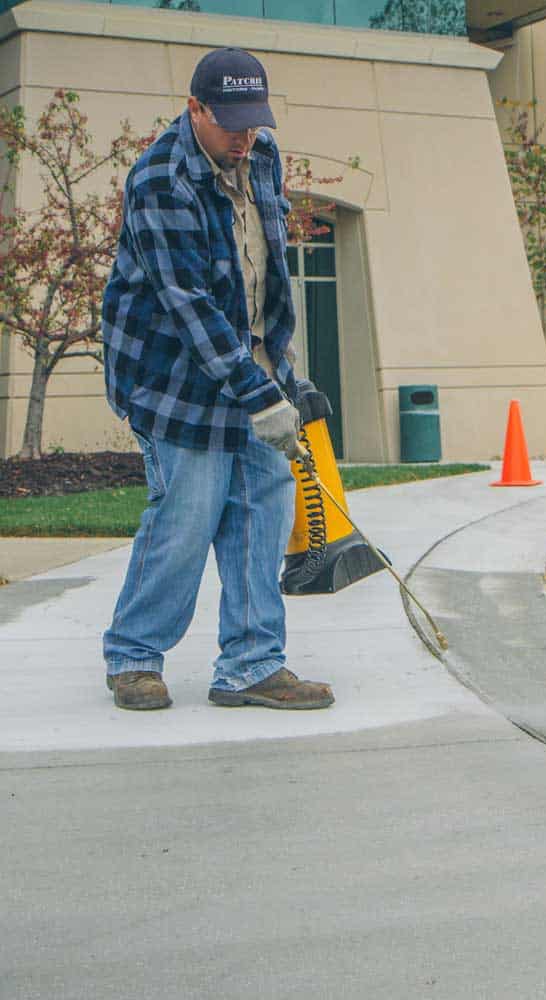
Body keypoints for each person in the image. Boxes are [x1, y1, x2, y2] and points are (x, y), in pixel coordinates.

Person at [101, 47, 334, 712]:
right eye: (229, 121)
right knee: (188, 514)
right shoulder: (159, 180)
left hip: (248, 365)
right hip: (169, 376)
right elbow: (190, 307)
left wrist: (278, 371)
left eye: (253, 121)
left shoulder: (258, 156)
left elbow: (264, 269)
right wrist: (257, 394)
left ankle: (252, 664)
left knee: (264, 511)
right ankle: (134, 657)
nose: (244, 135)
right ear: (194, 107)